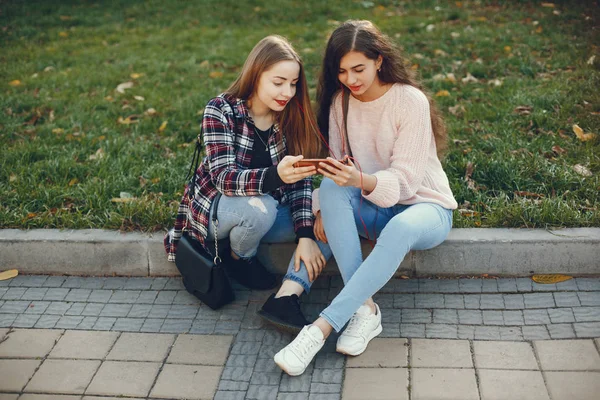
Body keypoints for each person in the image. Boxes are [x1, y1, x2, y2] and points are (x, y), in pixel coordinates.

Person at [274, 20, 458, 376]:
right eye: (341, 71)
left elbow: (405, 183)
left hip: (424, 207)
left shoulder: (410, 101)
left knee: (400, 227)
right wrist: (323, 207)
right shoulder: (341, 103)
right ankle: (367, 310)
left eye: (358, 69)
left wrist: (361, 179)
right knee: (328, 189)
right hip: (370, 205)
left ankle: (318, 330)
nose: (350, 79)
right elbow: (337, 168)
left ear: (379, 60)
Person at [164, 35, 331, 331]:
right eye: (278, 82)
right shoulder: (221, 110)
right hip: (219, 210)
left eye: (293, 84)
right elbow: (224, 179)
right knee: (259, 208)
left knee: (328, 207)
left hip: (268, 209)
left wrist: (306, 234)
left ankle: (286, 290)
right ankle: (241, 259)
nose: (287, 92)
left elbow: (300, 182)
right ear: (256, 75)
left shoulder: (290, 116)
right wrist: (276, 175)